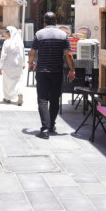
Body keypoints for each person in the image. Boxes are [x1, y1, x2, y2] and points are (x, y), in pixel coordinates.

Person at [28, 11, 75, 139]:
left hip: (42, 71)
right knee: (54, 99)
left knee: (42, 99)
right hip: (57, 72)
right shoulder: (63, 35)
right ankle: (51, 125)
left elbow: (32, 52)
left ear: (44, 22)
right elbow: (69, 55)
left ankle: (44, 129)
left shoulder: (39, 34)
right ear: (56, 22)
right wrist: (72, 70)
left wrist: (31, 63)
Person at [0, 26, 26, 106]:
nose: (7, 33)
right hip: (18, 65)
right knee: (18, 80)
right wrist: (23, 63)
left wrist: (0, 66)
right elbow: (23, 54)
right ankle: (19, 92)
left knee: (8, 82)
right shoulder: (20, 42)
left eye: (8, 32)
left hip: (8, 66)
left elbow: (3, 55)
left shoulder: (7, 42)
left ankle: (7, 98)